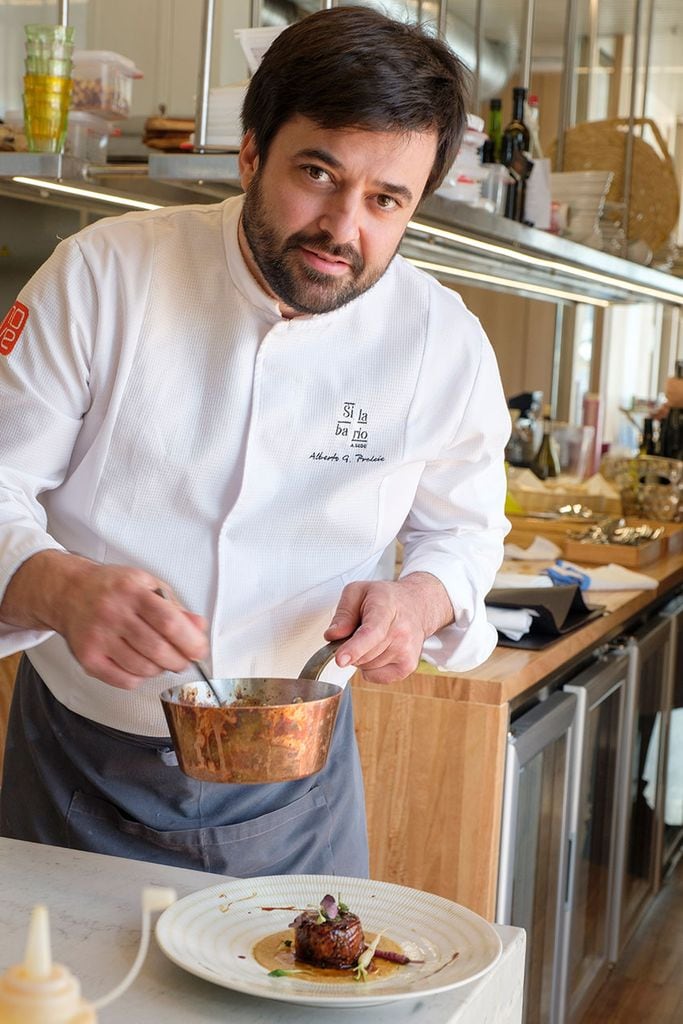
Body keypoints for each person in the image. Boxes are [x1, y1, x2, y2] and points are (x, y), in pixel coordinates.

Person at [0, 5, 510, 876]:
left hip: (300, 791)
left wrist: (418, 601)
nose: (344, 229)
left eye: (385, 200)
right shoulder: (100, 276)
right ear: (249, 154)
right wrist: (53, 585)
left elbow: (463, 533)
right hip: (81, 766)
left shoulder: (441, 340)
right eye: (317, 173)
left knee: (309, 1007)